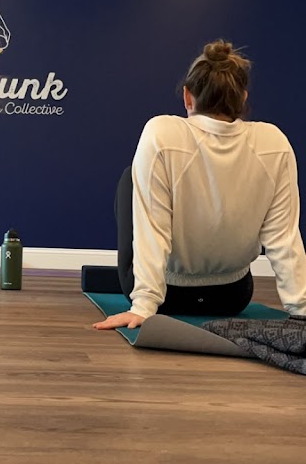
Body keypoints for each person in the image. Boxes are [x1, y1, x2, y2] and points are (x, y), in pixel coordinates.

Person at [94, 40, 306, 330]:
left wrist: (143, 306)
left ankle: (145, 290)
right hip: (232, 296)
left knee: (129, 179)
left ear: (187, 97)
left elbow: (153, 229)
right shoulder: (274, 142)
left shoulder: (161, 133)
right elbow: (283, 237)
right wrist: (302, 309)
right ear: (242, 99)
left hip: (167, 298)